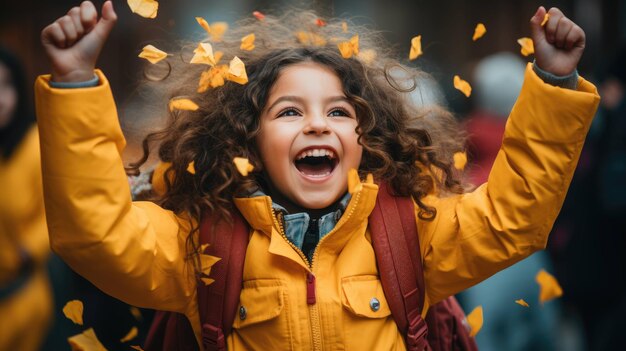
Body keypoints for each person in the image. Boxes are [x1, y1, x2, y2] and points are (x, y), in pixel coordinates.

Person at [35, 1, 599, 349]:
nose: (317, 125)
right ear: (245, 140)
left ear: (364, 138)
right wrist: (75, 84)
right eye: (288, 112)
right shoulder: (197, 241)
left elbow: (514, 218)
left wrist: (554, 84)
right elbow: (95, 235)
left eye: (338, 112)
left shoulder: (413, 230)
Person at [0, 47, 53, 351]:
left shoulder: (34, 145)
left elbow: (54, 213)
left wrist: (25, 251)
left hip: (21, 294)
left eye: (6, 85)